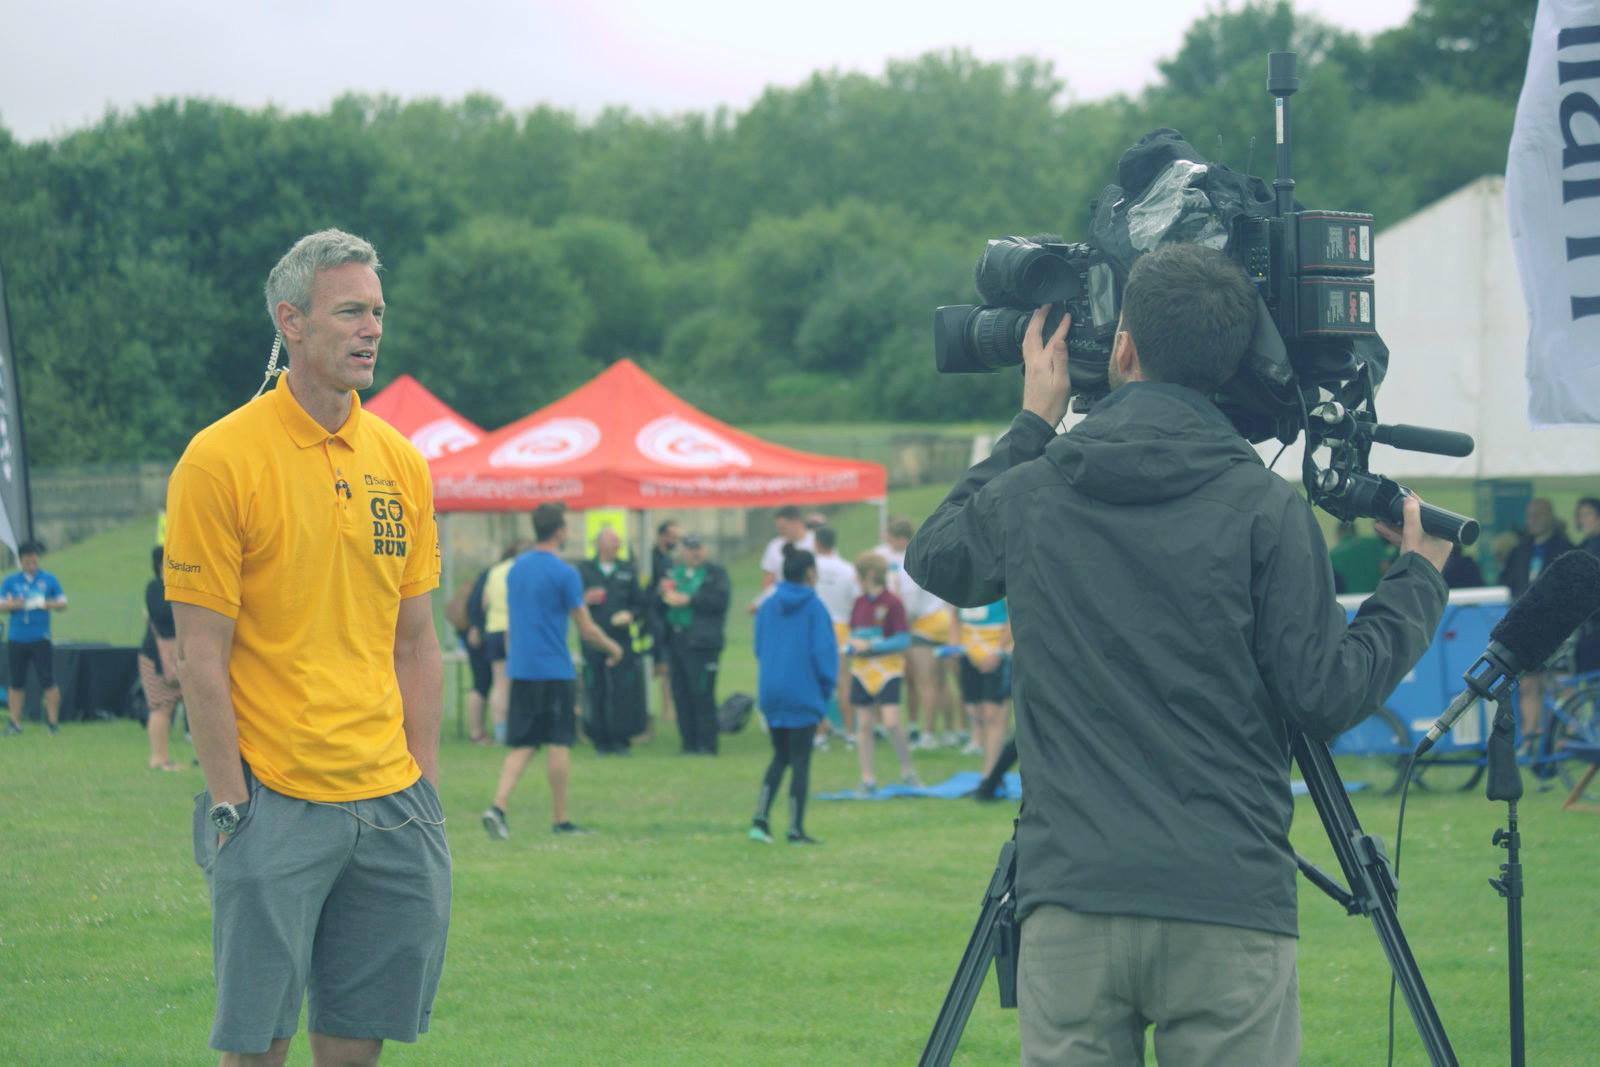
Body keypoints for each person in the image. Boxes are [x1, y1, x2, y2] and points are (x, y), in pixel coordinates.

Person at [906, 242, 1452, 1064]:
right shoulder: (1265, 507)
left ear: (1123, 347)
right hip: (1226, 898)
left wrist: (1032, 424)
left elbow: (937, 555)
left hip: (1073, 895)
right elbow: (1325, 693)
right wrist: (1415, 582)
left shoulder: (1038, 487)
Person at [165, 228, 450, 1064]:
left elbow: (416, 642)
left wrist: (425, 787)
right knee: (258, 1044)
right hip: (275, 799)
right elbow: (199, 656)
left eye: (378, 312)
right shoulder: (220, 459)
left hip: (393, 802)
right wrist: (231, 803)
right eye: (351, 311)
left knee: (358, 1043)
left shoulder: (401, 462)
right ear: (291, 321)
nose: (373, 329)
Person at [482, 504, 622, 839]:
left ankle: (497, 807)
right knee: (559, 742)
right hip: (554, 668)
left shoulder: (516, 569)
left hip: (522, 668)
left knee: (524, 743)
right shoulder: (565, 573)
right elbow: (586, 627)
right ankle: (561, 820)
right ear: (559, 531)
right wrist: (614, 648)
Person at [749, 544, 837, 845]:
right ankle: (795, 828)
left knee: (780, 756)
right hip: (803, 690)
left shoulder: (767, 605)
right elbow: (823, 654)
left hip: (771, 690)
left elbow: (758, 647)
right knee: (800, 760)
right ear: (811, 573)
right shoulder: (815, 607)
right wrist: (825, 693)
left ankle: (760, 820)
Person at [878, 517, 958, 750]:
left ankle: (928, 733)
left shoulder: (908, 564)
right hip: (941, 619)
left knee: (926, 683)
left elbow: (911, 606)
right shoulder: (929, 556)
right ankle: (951, 731)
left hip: (924, 625)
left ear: (901, 539)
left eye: (891, 540)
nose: (888, 544)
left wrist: (901, 625)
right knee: (942, 682)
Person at [1503, 498, 1575, 743]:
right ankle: (1530, 738)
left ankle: (1565, 738)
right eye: (1530, 515)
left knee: (1560, 683)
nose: (1532, 520)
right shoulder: (1520, 550)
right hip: (1527, 628)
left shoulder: (1565, 548)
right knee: (1528, 684)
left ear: (1550, 517)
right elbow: (1508, 583)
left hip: (1557, 628)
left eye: (1538, 515)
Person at [847, 550, 920, 792]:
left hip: (888, 669)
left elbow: (903, 639)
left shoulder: (892, 602)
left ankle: (908, 771)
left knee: (891, 722)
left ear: (869, 575)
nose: (855, 580)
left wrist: (872, 646)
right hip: (861, 670)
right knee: (864, 725)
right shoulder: (859, 602)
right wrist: (852, 645)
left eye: (858, 575)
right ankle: (867, 778)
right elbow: (854, 634)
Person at [576, 526, 647, 754]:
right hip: (593, 638)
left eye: (618, 541)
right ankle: (600, 740)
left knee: (622, 689)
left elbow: (641, 604)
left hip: (621, 640)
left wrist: (631, 615)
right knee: (595, 688)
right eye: (612, 541)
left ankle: (621, 739)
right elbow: (571, 602)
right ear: (598, 544)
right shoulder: (584, 570)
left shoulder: (628, 570)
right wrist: (585, 599)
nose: (617, 545)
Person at [662, 533, 730, 754]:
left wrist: (690, 599)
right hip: (677, 640)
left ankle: (707, 744)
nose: (695, 553)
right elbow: (656, 604)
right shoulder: (673, 574)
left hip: (702, 643)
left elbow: (720, 601)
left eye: (698, 548)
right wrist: (662, 592)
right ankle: (688, 743)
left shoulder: (715, 574)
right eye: (690, 549)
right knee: (681, 693)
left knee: (702, 693)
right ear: (683, 552)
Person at [3, 539, 68, 736]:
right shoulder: (11, 581)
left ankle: (53, 723)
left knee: (48, 680)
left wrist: (46, 604)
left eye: (35, 559)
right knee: (16, 682)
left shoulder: (48, 579)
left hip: (40, 638)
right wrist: (14, 604)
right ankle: (15, 723)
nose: (32, 563)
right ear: (21, 560)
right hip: (17, 638)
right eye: (28, 560)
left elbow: (63, 603)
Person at [477, 539, 532, 744]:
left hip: (493, 630)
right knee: (517, 682)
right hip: (515, 629)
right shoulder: (522, 570)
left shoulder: (495, 570)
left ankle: (500, 731)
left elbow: (484, 602)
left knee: (499, 684)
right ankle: (518, 730)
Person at [811, 526, 860, 746]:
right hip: (841, 626)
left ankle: (820, 733)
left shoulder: (812, 567)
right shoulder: (848, 569)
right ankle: (850, 733)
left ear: (817, 543)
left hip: (818, 625)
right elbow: (854, 602)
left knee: (817, 681)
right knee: (844, 681)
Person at [952, 599, 1012, 776]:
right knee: (975, 712)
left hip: (997, 655)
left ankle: (990, 772)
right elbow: (955, 614)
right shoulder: (966, 587)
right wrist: (955, 644)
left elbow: (1014, 617)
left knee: (993, 715)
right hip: (969, 654)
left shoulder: (1003, 589)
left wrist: (998, 651)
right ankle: (988, 764)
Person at [140, 546, 184, 769]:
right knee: (162, 706)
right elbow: (162, 614)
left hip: (179, 654)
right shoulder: (155, 587)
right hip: (158, 656)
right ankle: (158, 758)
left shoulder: (180, 587)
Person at [446, 566, 493, 745]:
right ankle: (476, 733)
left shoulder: (488, 573)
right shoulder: (490, 575)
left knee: (482, 683)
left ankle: (479, 731)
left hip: (476, 634)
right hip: (477, 636)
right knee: (481, 683)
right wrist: (476, 626)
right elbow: (476, 602)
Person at [646, 519, 681, 733]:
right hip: (653, 619)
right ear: (661, 536)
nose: (674, 541)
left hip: (668, 618)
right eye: (672, 536)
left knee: (667, 666)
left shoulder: (669, 560)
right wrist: (658, 591)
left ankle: (668, 709)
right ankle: (644, 706)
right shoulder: (649, 559)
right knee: (655, 666)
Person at [751, 505, 815, 612]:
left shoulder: (816, 542)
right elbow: (769, 580)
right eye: (778, 528)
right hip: (783, 605)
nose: (780, 531)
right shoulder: (774, 546)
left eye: (783, 527)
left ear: (796, 522)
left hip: (809, 603)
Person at [1327, 520, 1392, 595]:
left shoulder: (1332, 554)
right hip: (1376, 595)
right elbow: (1386, 568)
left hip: (1350, 599)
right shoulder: (1373, 543)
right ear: (1355, 531)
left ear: (1338, 533)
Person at [1573, 497, 1600, 673]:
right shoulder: (1582, 546)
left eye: (1587, 514)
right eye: (1580, 515)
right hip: (1587, 627)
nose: (1583, 519)